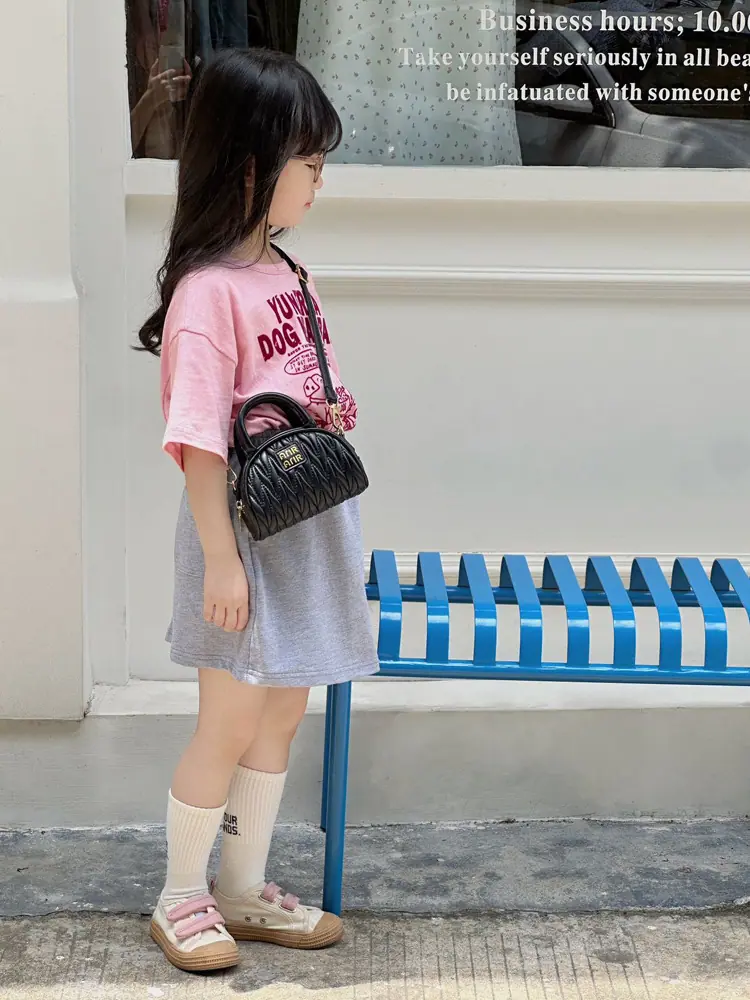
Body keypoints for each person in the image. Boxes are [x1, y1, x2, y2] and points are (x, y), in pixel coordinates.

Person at [134, 47, 380, 973]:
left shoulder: (288, 273)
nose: (320, 179)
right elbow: (198, 440)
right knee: (229, 722)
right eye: (307, 162)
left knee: (279, 716)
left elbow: (294, 386)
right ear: (250, 167)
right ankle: (180, 895)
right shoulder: (207, 296)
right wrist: (220, 559)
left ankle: (240, 887)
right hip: (239, 539)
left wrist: (329, 410)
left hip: (303, 530)